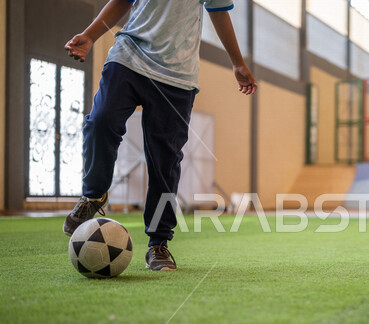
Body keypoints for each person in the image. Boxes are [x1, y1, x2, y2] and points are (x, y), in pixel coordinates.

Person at [63, 0, 256, 271]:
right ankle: (94, 194)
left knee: (165, 160)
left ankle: (158, 243)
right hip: (129, 56)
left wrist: (237, 63)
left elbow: (219, 12)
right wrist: (90, 35)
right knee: (101, 121)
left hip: (177, 74)